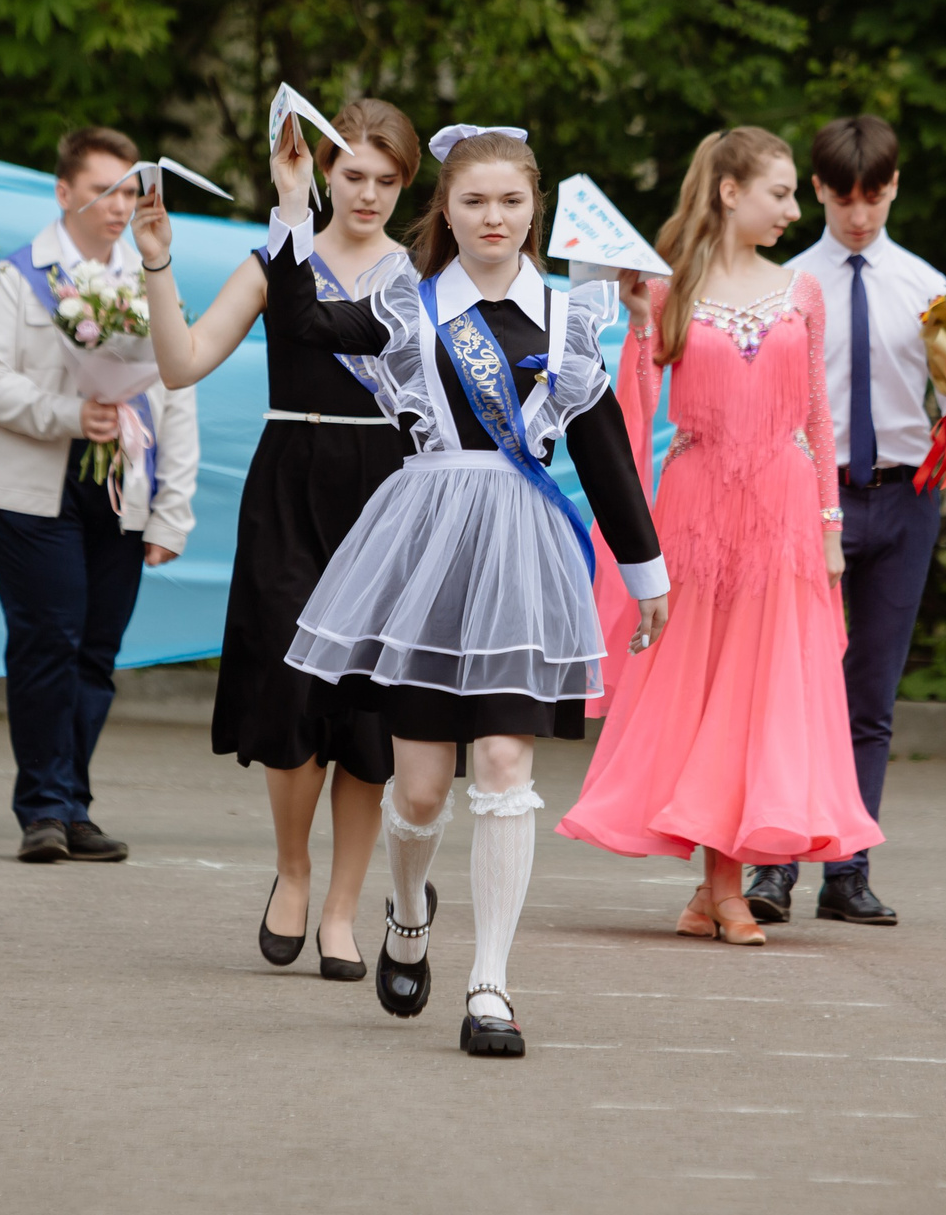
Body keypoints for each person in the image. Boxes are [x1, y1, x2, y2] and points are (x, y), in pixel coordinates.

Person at [265, 125, 670, 1058]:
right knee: (418, 791)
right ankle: (408, 911)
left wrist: (644, 571)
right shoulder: (408, 305)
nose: (495, 218)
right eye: (475, 201)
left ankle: (490, 982)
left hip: (522, 557)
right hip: (427, 552)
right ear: (444, 208)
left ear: (537, 211)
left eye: (512, 202)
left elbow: (605, 458)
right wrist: (294, 206)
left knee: (503, 767)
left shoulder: (573, 320)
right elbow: (300, 322)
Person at [557, 127, 883, 942]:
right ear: (730, 191)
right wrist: (636, 324)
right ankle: (721, 887)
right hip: (695, 508)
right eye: (780, 192)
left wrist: (829, 522)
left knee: (759, 695)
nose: (793, 208)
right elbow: (632, 398)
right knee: (701, 695)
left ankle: (719, 887)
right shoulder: (671, 287)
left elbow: (815, 413)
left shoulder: (800, 291)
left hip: (782, 514)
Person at [132, 98, 418, 980]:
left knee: (371, 712)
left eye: (386, 179)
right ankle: (292, 870)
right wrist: (157, 264)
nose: (366, 194)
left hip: (393, 489)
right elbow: (181, 362)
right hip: (291, 480)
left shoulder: (425, 277)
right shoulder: (276, 262)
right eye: (352, 175)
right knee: (293, 692)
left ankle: (343, 904)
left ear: (407, 185)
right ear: (323, 173)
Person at [0, 127, 200, 865]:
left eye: (128, 191)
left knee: (96, 649)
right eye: (102, 190)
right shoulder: (16, 275)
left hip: (121, 483)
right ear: (64, 192)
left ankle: (75, 802)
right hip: (33, 486)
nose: (116, 205)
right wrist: (70, 413)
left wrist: (173, 510)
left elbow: (178, 392)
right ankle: (41, 805)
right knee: (48, 640)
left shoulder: (149, 277)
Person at [754, 115, 946, 927]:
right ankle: (773, 865)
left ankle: (848, 864)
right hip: (807, 494)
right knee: (789, 684)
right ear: (816, 192)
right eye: (843, 197)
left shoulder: (931, 290)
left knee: (869, 694)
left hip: (906, 495)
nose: (860, 214)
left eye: (874, 196)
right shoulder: (785, 284)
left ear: (896, 186)